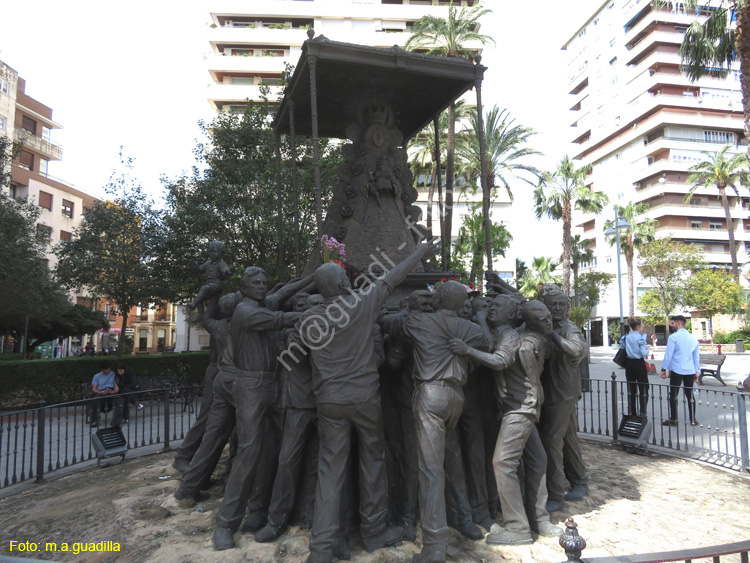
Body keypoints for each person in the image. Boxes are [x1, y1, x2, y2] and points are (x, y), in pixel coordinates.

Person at [298, 240, 436, 563]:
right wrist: (418, 253)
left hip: (328, 402)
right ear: (345, 283)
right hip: (364, 400)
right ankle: (374, 533)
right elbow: (391, 279)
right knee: (373, 462)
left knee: (330, 470)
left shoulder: (309, 321)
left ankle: (320, 548)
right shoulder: (361, 305)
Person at [384, 280, 486, 563]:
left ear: (439, 300)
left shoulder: (419, 323)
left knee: (430, 469)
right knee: (447, 457)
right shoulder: (469, 328)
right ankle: (460, 519)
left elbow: (388, 322)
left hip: (430, 397)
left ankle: (434, 544)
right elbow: (487, 342)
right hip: (456, 397)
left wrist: (406, 311)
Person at [451, 297, 563, 545]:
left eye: (497, 306)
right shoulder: (500, 332)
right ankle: (539, 519)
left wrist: (467, 350)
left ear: (512, 314)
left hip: (519, 408)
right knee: (537, 460)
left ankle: (518, 529)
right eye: (491, 305)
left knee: (502, 463)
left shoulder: (510, 336)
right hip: (518, 406)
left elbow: (500, 361)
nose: (491, 308)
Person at [538, 287, 588, 511]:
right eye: (552, 304)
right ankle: (579, 480)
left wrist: (553, 335)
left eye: (561, 304)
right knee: (568, 439)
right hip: (553, 390)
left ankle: (557, 494)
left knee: (552, 441)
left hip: (563, 393)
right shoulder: (549, 326)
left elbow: (577, 349)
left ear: (567, 308)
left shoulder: (569, 328)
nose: (557, 308)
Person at [660, 315, 701, 426]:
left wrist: (664, 368)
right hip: (689, 370)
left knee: (673, 394)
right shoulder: (693, 338)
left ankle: (674, 418)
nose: (671, 325)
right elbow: (696, 356)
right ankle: (692, 418)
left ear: (678, 323)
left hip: (677, 369)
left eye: (672, 323)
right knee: (690, 395)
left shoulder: (673, 337)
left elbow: (668, 355)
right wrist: (697, 370)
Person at [187, 240, 231, 311]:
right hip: (209, 284)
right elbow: (199, 270)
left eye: (214, 251)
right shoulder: (208, 263)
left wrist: (226, 273)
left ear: (220, 253)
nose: (212, 253)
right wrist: (195, 265)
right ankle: (201, 314)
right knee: (200, 298)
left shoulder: (221, 263)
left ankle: (194, 303)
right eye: (210, 252)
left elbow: (226, 272)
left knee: (204, 288)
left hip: (217, 285)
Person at [619, 317, 649, 417]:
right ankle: (643, 411)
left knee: (631, 388)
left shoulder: (626, 337)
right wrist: (647, 350)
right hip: (638, 363)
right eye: (642, 324)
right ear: (638, 326)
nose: (643, 326)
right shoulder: (640, 338)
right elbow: (643, 352)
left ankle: (632, 411)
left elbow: (622, 348)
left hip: (629, 363)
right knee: (643, 387)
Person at [90, 361, 119, 428]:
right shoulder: (96, 376)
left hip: (110, 392)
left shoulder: (114, 375)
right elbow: (94, 389)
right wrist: (100, 392)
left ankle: (116, 420)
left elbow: (116, 386)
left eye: (107, 369)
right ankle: (94, 420)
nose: (106, 371)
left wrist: (114, 391)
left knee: (119, 400)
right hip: (101, 392)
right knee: (95, 400)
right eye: (104, 370)